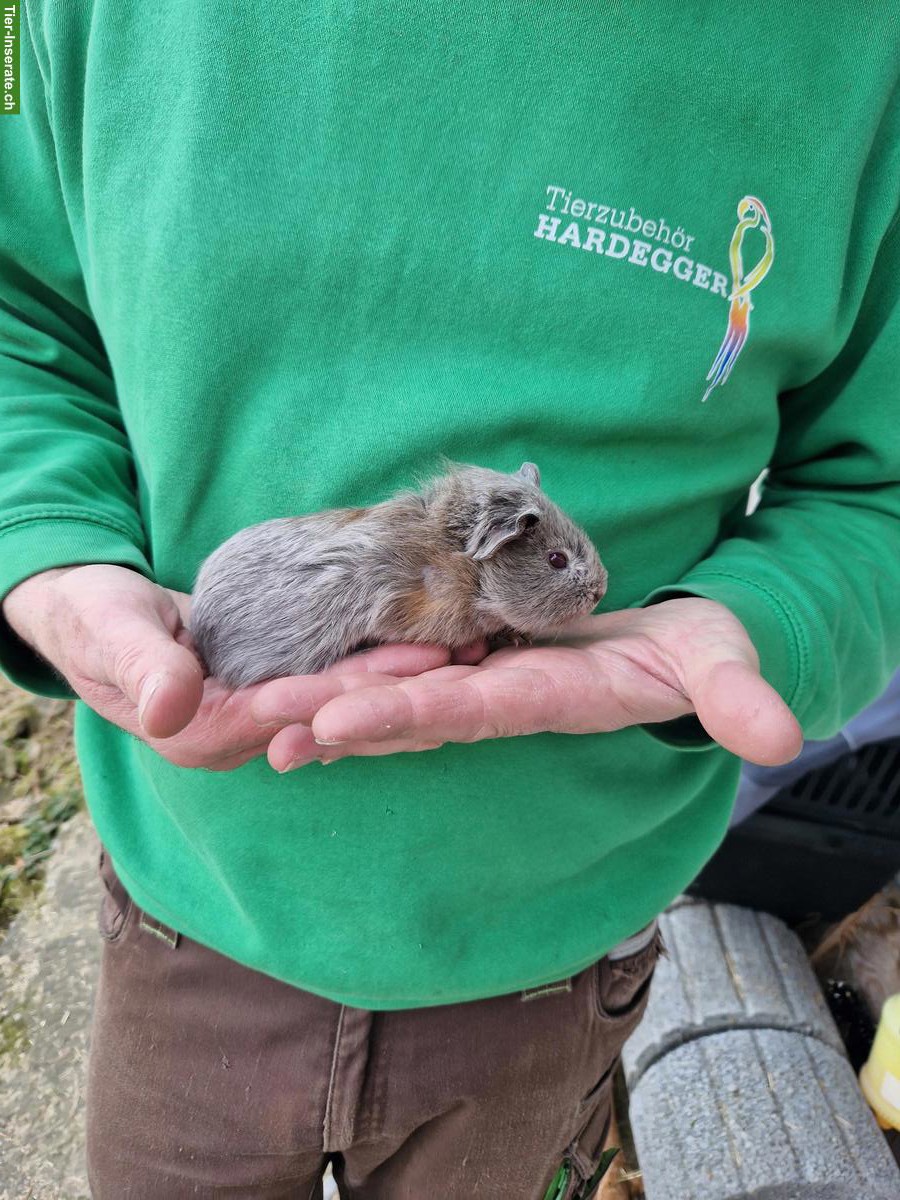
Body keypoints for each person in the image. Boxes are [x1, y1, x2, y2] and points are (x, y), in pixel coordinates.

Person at [1, 4, 898, 1197]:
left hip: (556, 958)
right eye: (565, 569)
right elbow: (20, 319)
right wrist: (51, 551)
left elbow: (872, 490)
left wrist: (768, 616)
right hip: (189, 908)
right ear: (495, 546)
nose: (593, 584)